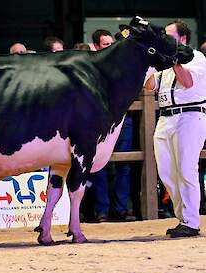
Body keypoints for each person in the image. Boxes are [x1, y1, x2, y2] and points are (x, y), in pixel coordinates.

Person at [145, 20, 206, 237]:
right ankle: (183, 218)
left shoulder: (197, 58)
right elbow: (151, 87)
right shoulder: (165, 62)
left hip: (190, 116)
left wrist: (174, 61)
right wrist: (150, 63)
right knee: (166, 172)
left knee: (187, 169)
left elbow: (188, 81)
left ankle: (191, 221)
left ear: (183, 39)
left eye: (170, 36)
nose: (166, 39)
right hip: (165, 117)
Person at [84, 29, 134, 222]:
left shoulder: (124, 63)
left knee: (124, 164)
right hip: (100, 119)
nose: (110, 47)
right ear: (96, 46)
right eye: (105, 44)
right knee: (99, 164)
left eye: (111, 43)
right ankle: (102, 210)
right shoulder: (92, 64)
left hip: (124, 118)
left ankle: (121, 209)